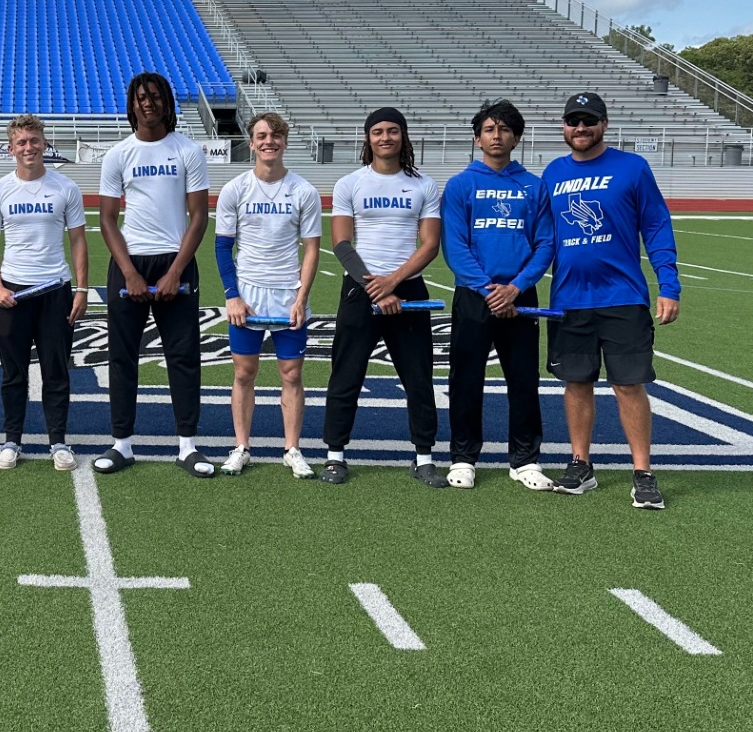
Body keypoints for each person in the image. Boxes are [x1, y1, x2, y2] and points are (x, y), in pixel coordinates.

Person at [541, 92, 681, 510]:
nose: (580, 128)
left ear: (604, 124)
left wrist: (669, 285)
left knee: (628, 384)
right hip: (569, 298)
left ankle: (643, 473)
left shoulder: (632, 167)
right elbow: (543, 237)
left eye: (589, 120)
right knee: (576, 382)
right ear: (564, 127)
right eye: (573, 121)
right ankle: (580, 464)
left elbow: (656, 226)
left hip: (623, 297)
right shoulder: (553, 172)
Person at [321, 107, 445, 487]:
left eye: (393, 130)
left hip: (407, 290)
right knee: (346, 375)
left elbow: (430, 244)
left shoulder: (424, 184)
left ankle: (424, 457)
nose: (385, 137)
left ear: (403, 136)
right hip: (361, 288)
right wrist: (375, 286)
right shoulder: (350, 183)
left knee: (418, 377)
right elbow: (341, 243)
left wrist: (393, 282)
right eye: (378, 131)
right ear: (368, 138)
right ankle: (335, 455)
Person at [96, 72, 212, 477]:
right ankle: (122, 445)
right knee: (122, 357)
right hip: (129, 263)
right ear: (132, 105)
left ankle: (187, 446)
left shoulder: (188, 150)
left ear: (167, 103)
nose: (148, 103)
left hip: (175, 263)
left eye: (156, 96)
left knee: (183, 356)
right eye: (141, 97)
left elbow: (199, 216)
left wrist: (175, 270)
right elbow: (107, 219)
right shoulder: (118, 154)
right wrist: (128, 271)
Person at [440, 100, 555, 491]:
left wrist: (515, 288)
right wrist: (490, 290)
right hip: (475, 296)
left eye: (504, 129)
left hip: (520, 295)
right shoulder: (461, 184)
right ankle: (463, 457)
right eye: (489, 129)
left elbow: (545, 243)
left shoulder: (534, 186)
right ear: (477, 139)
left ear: (516, 137)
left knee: (523, 379)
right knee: (465, 378)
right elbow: (455, 245)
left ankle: (524, 460)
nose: (496, 136)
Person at [214, 112, 322, 479]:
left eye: (275, 135)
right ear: (251, 142)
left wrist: (301, 298)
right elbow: (222, 247)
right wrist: (232, 295)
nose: (268, 141)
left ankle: (292, 449)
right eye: (261, 136)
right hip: (247, 295)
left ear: (285, 142)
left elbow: (311, 249)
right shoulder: (235, 189)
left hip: (287, 295)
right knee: (244, 373)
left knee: (291, 374)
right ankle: (242, 447)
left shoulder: (303, 191)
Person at [0, 115, 88, 472]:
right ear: (11, 148)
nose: (29, 147)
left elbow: (78, 241)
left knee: (56, 371)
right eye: (22, 142)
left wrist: (81, 289)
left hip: (55, 291)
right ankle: (11, 440)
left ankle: (57, 441)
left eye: (34, 140)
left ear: (44, 144)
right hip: (12, 293)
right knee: (13, 373)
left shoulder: (66, 187)